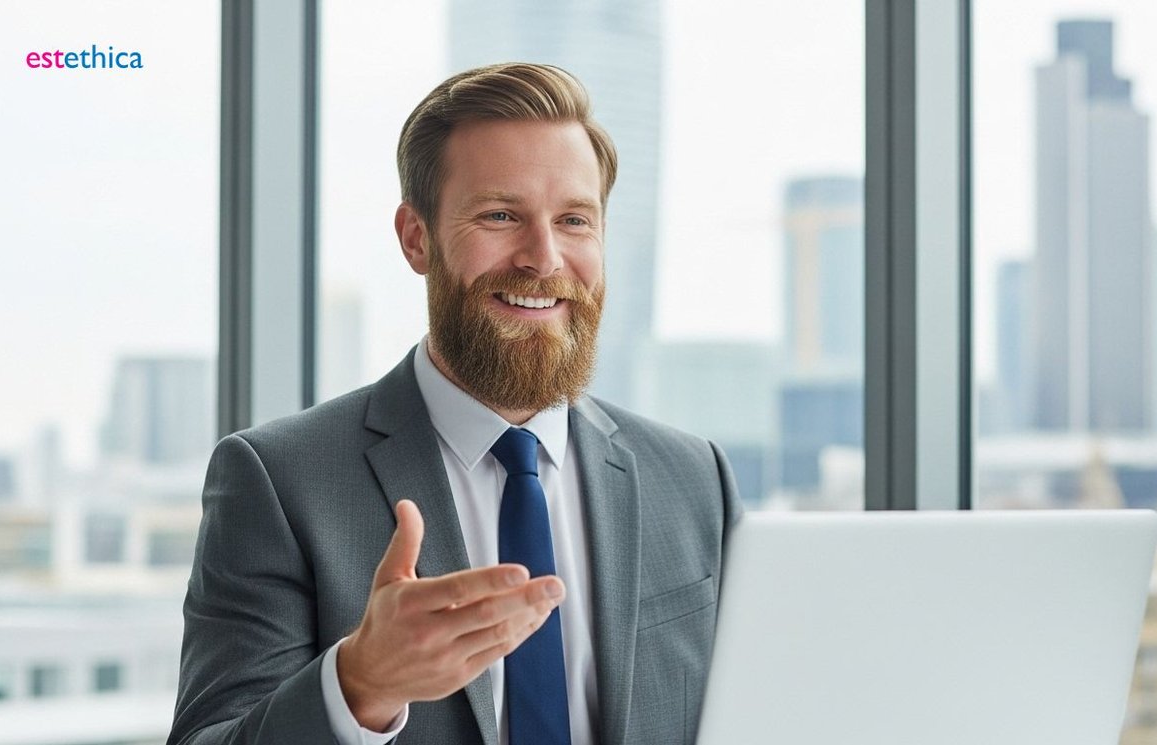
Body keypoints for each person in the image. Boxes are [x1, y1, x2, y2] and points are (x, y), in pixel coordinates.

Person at [169, 62, 743, 745]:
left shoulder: (692, 478)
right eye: (501, 215)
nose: (544, 258)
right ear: (417, 237)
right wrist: (358, 686)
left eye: (575, 220)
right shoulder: (278, 480)